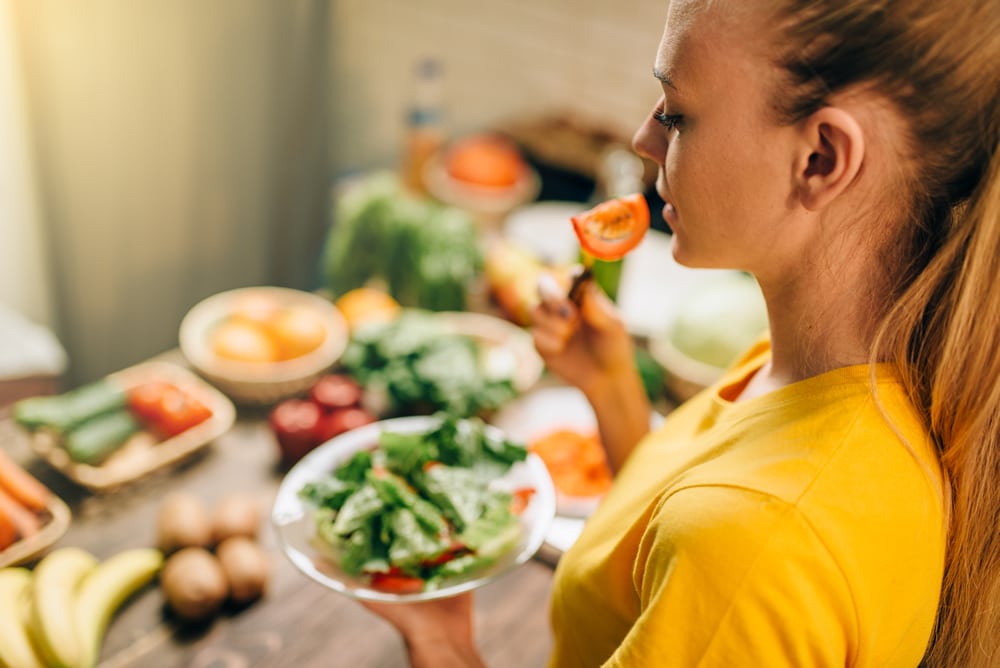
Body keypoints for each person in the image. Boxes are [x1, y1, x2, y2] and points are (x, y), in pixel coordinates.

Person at [364, 0, 1000, 665]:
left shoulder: (755, 546)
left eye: (675, 113)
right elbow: (673, 536)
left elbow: (721, 551)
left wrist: (445, 649)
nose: (644, 138)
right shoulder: (832, 372)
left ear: (819, 157)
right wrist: (610, 388)